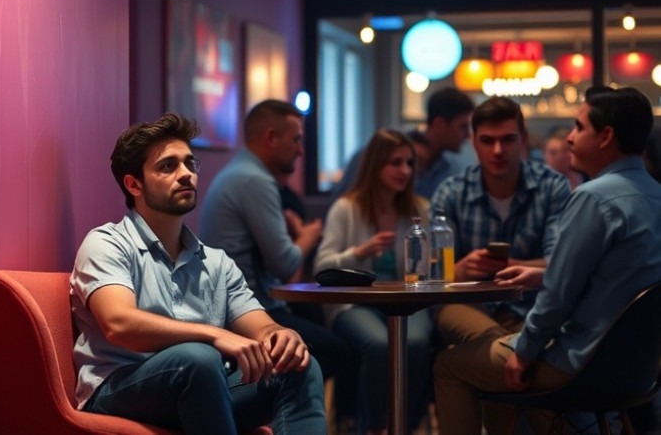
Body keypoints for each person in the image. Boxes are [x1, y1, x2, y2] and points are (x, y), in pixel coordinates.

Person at [70, 113, 326, 434]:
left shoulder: (216, 262)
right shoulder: (107, 243)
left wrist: (280, 336)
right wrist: (215, 334)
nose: (185, 174)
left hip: (200, 387)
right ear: (134, 184)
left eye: (190, 164)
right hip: (118, 387)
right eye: (168, 166)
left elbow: (261, 326)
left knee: (299, 366)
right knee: (199, 359)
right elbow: (119, 324)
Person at [434, 86, 661, 435]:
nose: (569, 138)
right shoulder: (654, 193)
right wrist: (540, 276)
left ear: (606, 137)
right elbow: (608, 277)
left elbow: (559, 295)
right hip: (640, 370)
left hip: (582, 362)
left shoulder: (593, 198)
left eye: (579, 127)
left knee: (450, 365)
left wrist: (524, 352)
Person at [200, 99, 353, 384]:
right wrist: (307, 237)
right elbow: (285, 264)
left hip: (235, 305)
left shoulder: (239, 172)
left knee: (327, 324)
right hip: (245, 311)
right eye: (295, 139)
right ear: (270, 137)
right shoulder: (255, 180)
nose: (300, 149)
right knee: (339, 351)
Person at [315, 129, 433, 435]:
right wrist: (360, 252)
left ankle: (406, 425)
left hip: (406, 300)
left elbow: (430, 268)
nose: (405, 171)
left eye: (409, 163)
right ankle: (376, 428)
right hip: (354, 303)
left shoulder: (419, 209)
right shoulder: (347, 208)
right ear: (376, 164)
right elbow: (322, 266)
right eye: (396, 163)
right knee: (379, 343)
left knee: (418, 342)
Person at [429, 97, 570, 346]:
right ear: (473, 143)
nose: (497, 150)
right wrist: (460, 269)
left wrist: (510, 265)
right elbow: (431, 276)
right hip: (467, 303)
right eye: (487, 140)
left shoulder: (552, 186)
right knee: (507, 346)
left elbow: (559, 261)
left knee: (538, 345)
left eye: (507, 139)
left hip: (531, 305)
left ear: (523, 140)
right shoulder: (450, 192)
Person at [330, 87, 475, 199]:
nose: (468, 135)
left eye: (410, 164)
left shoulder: (452, 169)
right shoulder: (378, 153)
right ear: (439, 124)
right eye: (462, 127)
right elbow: (343, 203)